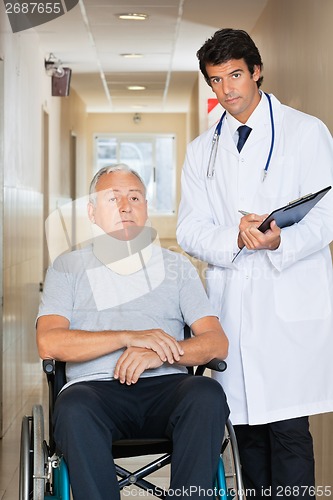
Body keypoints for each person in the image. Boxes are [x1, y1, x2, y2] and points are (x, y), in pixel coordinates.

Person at [176, 28, 333, 499]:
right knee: (244, 430)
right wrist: (236, 237)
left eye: (236, 75)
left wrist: (277, 242)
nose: (228, 90)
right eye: (217, 80)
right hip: (232, 306)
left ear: (257, 71)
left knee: (287, 428)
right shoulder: (202, 151)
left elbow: (328, 215)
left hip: (288, 296)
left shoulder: (305, 132)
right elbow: (189, 229)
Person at [36, 164, 229, 500]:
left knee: (206, 395)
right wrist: (128, 337)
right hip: (94, 392)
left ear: (146, 209)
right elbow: (48, 341)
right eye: (113, 199)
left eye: (134, 197)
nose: (125, 206)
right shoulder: (67, 268)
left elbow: (217, 342)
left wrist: (158, 354)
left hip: (168, 389)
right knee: (73, 408)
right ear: (92, 213)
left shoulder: (177, 267)